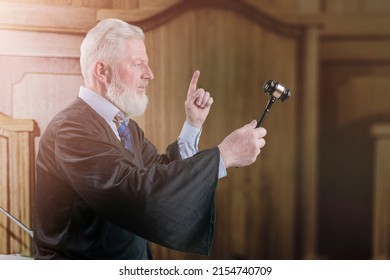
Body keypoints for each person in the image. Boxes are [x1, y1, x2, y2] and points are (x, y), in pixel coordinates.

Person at [34, 18, 267, 260]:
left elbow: (161, 174)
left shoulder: (126, 126)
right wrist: (225, 155)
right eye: (137, 64)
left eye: (146, 64)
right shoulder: (71, 130)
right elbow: (136, 193)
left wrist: (192, 124)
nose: (150, 74)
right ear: (102, 71)